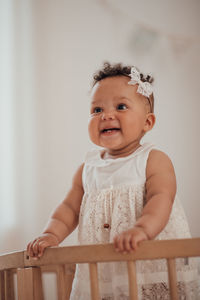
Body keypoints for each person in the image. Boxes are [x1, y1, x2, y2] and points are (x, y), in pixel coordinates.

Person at [27, 62, 199, 299]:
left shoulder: (153, 160)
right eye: (97, 110)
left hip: (149, 260)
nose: (106, 115)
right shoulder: (87, 169)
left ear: (147, 122)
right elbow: (67, 209)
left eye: (121, 106)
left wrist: (142, 229)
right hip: (103, 270)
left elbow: (162, 198)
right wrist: (51, 234)